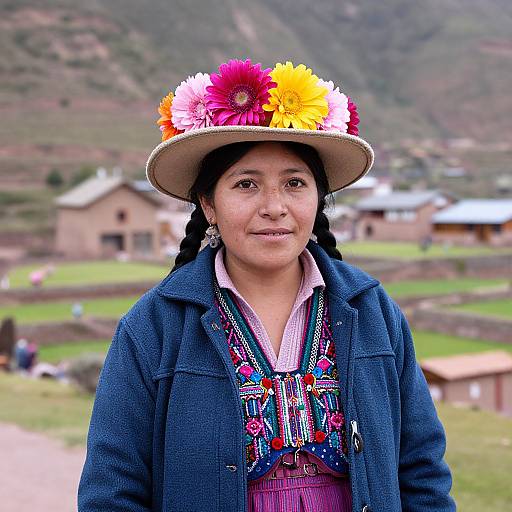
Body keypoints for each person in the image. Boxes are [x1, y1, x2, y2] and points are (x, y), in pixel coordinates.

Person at [78, 59, 456, 512]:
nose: (274, 207)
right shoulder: (154, 328)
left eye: (295, 183)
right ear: (208, 204)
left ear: (318, 201)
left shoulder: (372, 312)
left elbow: (423, 473)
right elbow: (111, 493)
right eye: (246, 184)